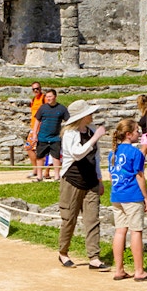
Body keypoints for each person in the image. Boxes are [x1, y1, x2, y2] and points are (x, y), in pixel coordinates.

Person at [57, 100, 108, 270]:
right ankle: (63, 253)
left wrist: (99, 180)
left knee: (92, 219)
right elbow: (77, 154)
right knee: (69, 219)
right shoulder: (70, 134)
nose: (92, 115)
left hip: (91, 181)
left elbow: (96, 158)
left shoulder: (92, 130)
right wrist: (95, 138)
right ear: (82, 116)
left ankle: (94, 257)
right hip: (72, 181)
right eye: (89, 113)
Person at [108, 119, 147, 281]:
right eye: (137, 131)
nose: (139, 134)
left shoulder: (112, 153)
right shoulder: (135, 153)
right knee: (136, 231)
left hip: (116, 195)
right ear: (129, 134)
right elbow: (140, 176)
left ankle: (119, 269)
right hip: (132, 195)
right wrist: (146, 197)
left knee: (120, 231)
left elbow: (111, 175)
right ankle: (139, 271)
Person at [32, 89, 69, 181]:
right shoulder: (43, 108)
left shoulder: (62, 108)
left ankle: (57, 176)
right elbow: (37, 121)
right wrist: (34, 134)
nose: (48, 98)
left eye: (50, 96)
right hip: (42, 136)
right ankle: (39, 176)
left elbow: (68, 121)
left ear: (55, 97)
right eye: (47, 97)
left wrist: (65, 133)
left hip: (55, 137)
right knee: (40, 156)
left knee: (56, 157)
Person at [24, 80, 43, 178]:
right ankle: (35, 168)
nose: (36, 90)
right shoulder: (33, 100)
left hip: (42, 128)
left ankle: (41, 171)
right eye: (34, 89)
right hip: (33, 127)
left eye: (37, 88)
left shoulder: (44, 98)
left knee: (42, 149)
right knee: (29, 147)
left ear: (40, 88)